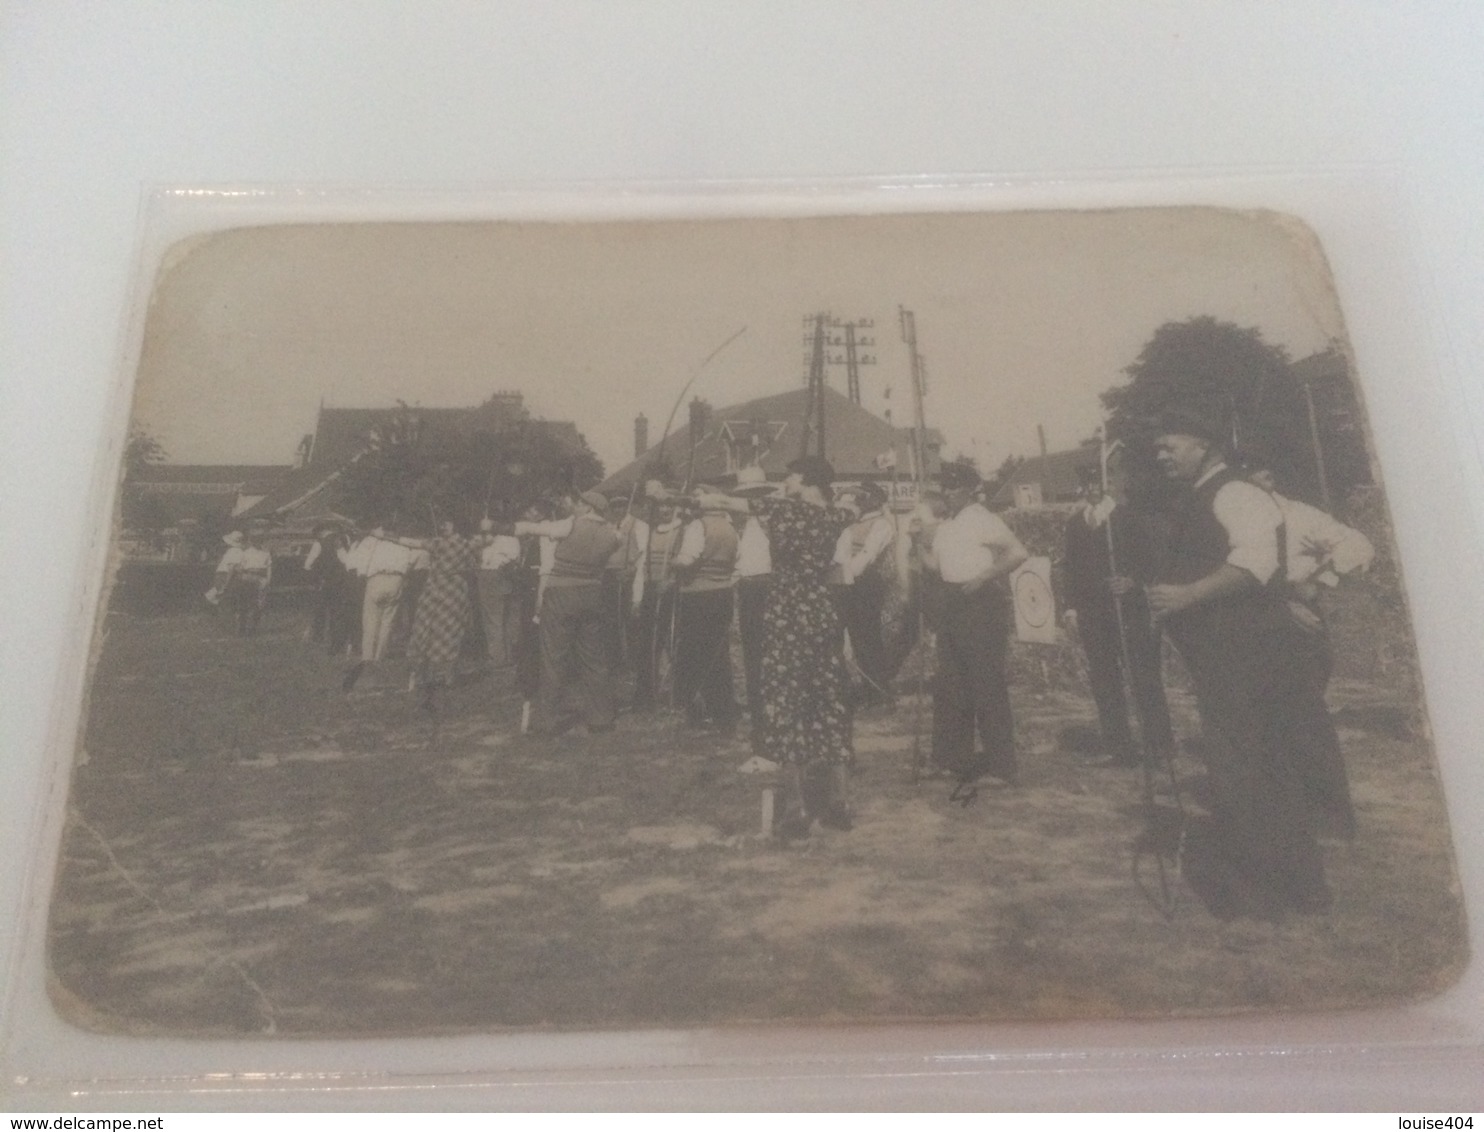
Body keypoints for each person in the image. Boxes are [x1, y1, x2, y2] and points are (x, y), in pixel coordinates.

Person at [1146, 407, 1331, 917]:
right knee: (1251, 771)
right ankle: (1292, 891)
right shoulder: (1201, 496)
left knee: (1250, 772)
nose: (1161, 455)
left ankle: (1270, 897)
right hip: (1227, 656)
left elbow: (1256, 564)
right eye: (1158, 448)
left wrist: (1186, 596)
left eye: (1170, 445)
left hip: (1250, 655)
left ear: (1204, 444)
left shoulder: (1235, 492)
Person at [691, 456, 856, 836]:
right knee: (829, 702)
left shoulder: (781, 510)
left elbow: (723, 503)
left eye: (793, 475)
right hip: (821, 611)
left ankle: (797, 808)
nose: (787, 481)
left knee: (786, 702)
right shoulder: (836, 516)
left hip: (787, 614)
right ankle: (840, 803)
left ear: (810, 480)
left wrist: (669, 497)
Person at [1247, 462, 1374, 839]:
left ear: (1270, 478)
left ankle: (1331, 815)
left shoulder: (1300, 517)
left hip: (1299, 622)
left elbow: (1359, 546)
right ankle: (1287, 812)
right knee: (1267, 723)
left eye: (1259, 476)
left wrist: (1320, 580)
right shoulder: (1238, 521)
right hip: (1257, 621)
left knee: (1304, 719)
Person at [924, 463, 1028, 791]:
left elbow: (1018, 553)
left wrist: (984, 577)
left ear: (969, 490)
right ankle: (953, 759)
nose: (948, 494)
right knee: (951, 684)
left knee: (986, 684)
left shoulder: (985, 519)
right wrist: (915, 543)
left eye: (954, 489)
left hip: (980, 605)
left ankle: (1001, 765)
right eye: (945, 489)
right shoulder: (945, 526)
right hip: (952, 603)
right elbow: (936, 566)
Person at [1061, 463, 1174, 767]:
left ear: (1109, 482)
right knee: (1103, 678)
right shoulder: (1076, 524)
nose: (1093, 488)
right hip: (1092, 613)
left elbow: (1154, 561)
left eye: (1098, 481)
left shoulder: (1127, 518)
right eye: (1088, 483)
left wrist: (1133, 580)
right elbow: (1069, 570)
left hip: (1127, 610)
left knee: (1142, 676)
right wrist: (1071, 608)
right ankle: (1118, 746)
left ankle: (1159, 747)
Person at [515, 489, 622, 736]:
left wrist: (499, 526)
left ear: (587, 507)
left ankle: (547, 721)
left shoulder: (570, 524)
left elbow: (534, 529)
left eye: (579, 503)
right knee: (593, 658)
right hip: (592, 595)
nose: (575, 506)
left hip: (562, 595)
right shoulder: (613, 534)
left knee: (553, 657)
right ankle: (601, 718)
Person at [669, 485, 741, 734]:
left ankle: (698, 709)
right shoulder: (731, 529)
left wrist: (672, 562)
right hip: (723, 594)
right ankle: (723, 711)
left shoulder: (699, 527)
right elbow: (737, 563)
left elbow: (688, 558)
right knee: (718, 653)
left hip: (698, 594)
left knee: (695, 652)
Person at [406, 516, 485, 707]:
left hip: (436, 589)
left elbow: (411, 542)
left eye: (447, 523)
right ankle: (448, 676)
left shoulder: (438, 544)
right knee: (451, 630)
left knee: (427, 628)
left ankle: (422, 674)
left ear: (455, 526)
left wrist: (384, 536)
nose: (443, 526)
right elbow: (485, 546)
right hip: (456, 591)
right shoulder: (468, 545)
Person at [832, 481, 897, 708]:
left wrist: (845, 571)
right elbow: (840, 554)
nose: (859, 500)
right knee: (848, 640)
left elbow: (867, 557)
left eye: (864, 496)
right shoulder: (851, 525)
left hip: (867, 586)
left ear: (875, 500)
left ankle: (879, 693)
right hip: (847, 584)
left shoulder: (881, 525)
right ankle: (858, 691)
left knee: (868, 640)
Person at [731, 466, 775, 754]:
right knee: (752, 653)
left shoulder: (774, 518)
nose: (752, 501)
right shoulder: (738, 523)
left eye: (756, 494)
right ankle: (759, 715)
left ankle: (771, 716)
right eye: (747, 495)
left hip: (769, 585)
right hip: (747, 587)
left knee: (769, 652)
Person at [341, 520, 416, 690]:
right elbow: (410, 563)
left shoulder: (373, 540)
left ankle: (368, 658)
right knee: (388, 621)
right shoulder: (403, 542)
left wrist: (362, 575)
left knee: (370, 620)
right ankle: (379, 656)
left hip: (377, 578)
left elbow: (356, 562)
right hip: (397, 579)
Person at [630, 493, 682, 713]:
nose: (664, 510)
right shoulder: (650, 532)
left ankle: (677, 693)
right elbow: (642, 567)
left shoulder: (682, 531)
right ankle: (646, 694)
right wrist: (638, 597)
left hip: (673, 592)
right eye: (661, 506)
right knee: (649, 642)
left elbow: (684, 563)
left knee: (673, 641)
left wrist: (670, 582)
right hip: (652, 590)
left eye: (669, 505)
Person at [475, 510, 522, 670]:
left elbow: (483, 558)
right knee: (509, 616)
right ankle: (510, 655)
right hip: (509, 576)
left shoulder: (489, 540)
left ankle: (497, 657)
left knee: (492, 618)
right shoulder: (513, 538)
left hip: (491, 575)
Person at [303, 522, 356, 656]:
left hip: (325, 582)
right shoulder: (345, 540)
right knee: (337, 612)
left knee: (321, 610)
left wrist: (316, 577)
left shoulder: (319, 543)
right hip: (342, 582)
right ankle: (336, 639)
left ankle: (319, 636)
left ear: (321, 531)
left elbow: (307, 565)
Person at [223, 528, 273, 636]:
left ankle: (253, 628)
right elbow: (238, 567)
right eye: (254, 539)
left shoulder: (266, 552)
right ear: (251, 540)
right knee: (244, 603)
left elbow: (269, 568)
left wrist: (268, 580)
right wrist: (242, 574)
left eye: (259, 539)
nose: (257, 541)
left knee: (259, 605)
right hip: (246, 577)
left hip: (261, 578)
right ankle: (241, 628)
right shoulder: (245, 552)